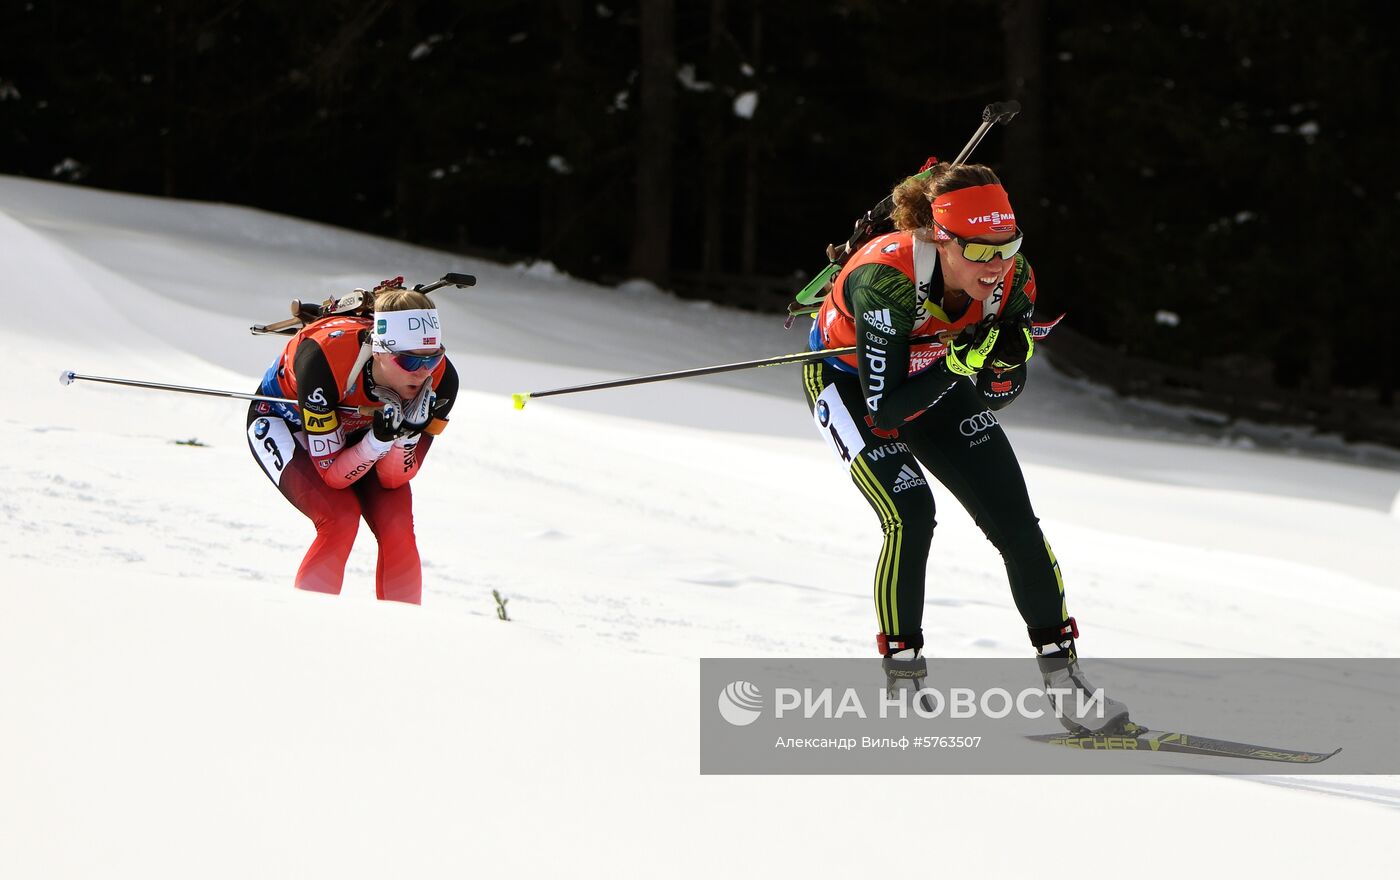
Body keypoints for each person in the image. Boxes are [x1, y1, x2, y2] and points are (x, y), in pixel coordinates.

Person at [802, 162, 1132, 734]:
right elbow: (886, 413)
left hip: (938, 379)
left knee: (1016, 524)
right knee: (912, 514)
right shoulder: (886, 279)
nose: (996, 265)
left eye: (1008, 246)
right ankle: (903, 679)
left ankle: (1064, 681)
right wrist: (962, 360)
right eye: (979, 251)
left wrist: (1004, 361)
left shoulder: (1014, 277)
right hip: (853, 382)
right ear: (939, 238)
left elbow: (998, 395)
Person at [246, 277, 459, 605]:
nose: (422, 372)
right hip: (286, 421)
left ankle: (405, 641)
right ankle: (307, 630)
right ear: (381, 350)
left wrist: (404, 437)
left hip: (359, 429)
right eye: (410, 361)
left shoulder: (443, 379)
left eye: (431, 358)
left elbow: (393, 480)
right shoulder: (325, 358)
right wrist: (377, 441)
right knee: (339, 519)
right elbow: (332, 473)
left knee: (397, 526)